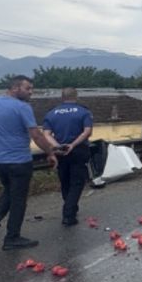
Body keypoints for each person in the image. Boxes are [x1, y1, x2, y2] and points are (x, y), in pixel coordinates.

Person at [0, 75, 59, 250]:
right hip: (18, 161)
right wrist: (50, 153)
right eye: (27, 88)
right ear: (15, 88)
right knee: (18, 199)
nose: (31, 92)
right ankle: (12, 237)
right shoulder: (23, 107)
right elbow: (36, 135)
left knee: (9, 192)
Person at [42, 87, 94, 226]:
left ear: (62, 97)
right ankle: (68, 214)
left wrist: (58, 146)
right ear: (76, 96)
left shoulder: (51, 113)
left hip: (60, 152)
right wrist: (73, 144)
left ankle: (71, 208)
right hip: (78, 151)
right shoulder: (84, 111)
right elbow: (87, 131)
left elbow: (46, 134)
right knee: (77, 183)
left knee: (65, 181)